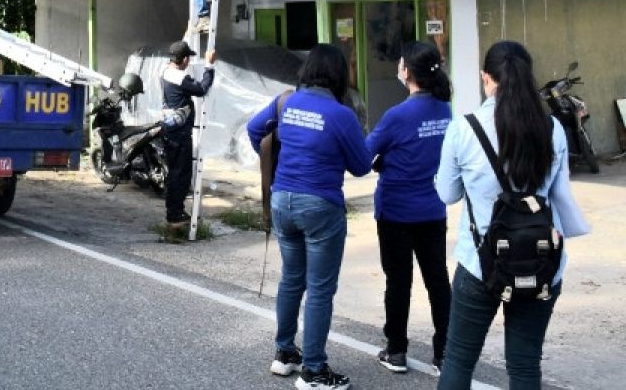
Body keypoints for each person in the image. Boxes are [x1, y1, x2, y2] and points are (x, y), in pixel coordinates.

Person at [435, 41, 590, 389]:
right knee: (524, 366)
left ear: (486, 78)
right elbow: (558, 193)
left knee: (459, 359)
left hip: (480, 264)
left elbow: (448, 194)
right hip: (541, 262)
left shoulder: (464, 128)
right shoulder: (552, 128)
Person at [247, 43, 371, 390]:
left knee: (291, 279)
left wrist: (284, 150)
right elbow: (361, 166)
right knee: (319, 289)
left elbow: (255, 131)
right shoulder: (341, 115)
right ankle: (314, 370)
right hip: (320, 207)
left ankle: (285, 353)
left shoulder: (285, 102)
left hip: (282, 200)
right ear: (337, 75)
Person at [365, 41, 453, 375]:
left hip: (396, 212)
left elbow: (363, 156)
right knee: (438, 282)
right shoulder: (445, 110)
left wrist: (381, 162)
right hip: (433, 210)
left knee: (398, 282)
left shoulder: (397, 115)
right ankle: (445, 355)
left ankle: (396, 350)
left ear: (407, 72)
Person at [159, 40, 216, 225]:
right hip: (179, 134)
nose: (189, 61)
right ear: (183, 59)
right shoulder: (179, 77)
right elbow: (201, 89)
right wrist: (209, 65)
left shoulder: (165, 71)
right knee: (180, 175)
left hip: (170, 129)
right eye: (188, 58)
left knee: (175, 173)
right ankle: (175, 214)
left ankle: (174, 211)